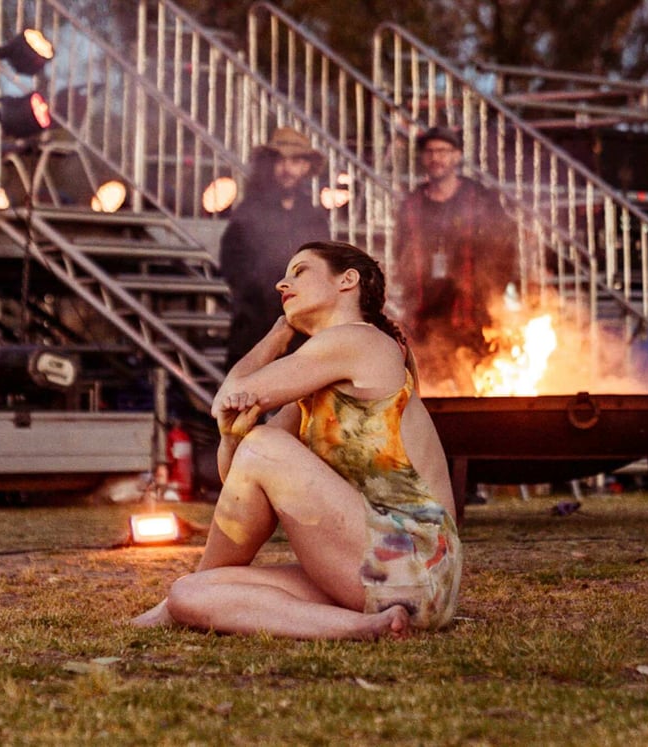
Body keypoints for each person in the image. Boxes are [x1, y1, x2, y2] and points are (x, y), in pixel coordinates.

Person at [132, 240, 462, 639]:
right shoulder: (316, 386)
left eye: (300, 271)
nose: (281, 284)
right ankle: (361, 627)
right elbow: (242, 474)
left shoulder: (361, 340)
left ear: (347, 280)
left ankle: (185, 597)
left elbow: (232, 400)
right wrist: (231, 440)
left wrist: (278, 332)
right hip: (380, 578)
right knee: (192, 593)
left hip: (414, 565)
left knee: (262, 447)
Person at [393, 125, 516, 349]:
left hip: (473, 309)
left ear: (457, 156)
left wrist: (494, 290)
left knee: (478, 375)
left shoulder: (480, 198)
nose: (435, 158)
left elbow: (504, 245)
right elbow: (400, 250)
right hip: (426, 310)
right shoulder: (412, 204)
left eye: (443, 151)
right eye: (429, 152)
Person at [219, 126, 330, 369]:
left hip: (301, 330)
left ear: (306, 167)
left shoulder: (313, 216)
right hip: (255, 329)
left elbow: (323, 265)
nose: (287, 168)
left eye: (295, 161)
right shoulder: (250, 211)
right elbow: (232, 264)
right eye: (280, 160)